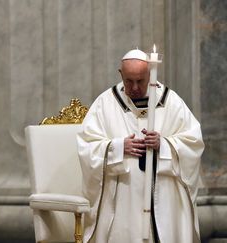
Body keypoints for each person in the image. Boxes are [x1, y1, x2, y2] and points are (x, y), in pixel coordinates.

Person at [77, 49, 204, 243]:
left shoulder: (171, 102)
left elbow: (193, 143)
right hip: (122, 196)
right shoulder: (105, 103)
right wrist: (118, 147)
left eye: (140, 81)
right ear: (120, 74)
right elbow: (87, 147)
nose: (135, 87)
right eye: (129, 81)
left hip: (163, 193)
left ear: (150, 76)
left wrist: (164, 144)